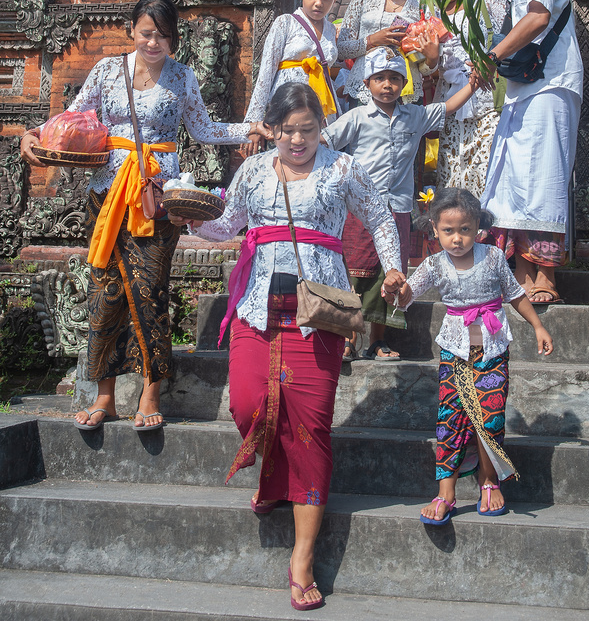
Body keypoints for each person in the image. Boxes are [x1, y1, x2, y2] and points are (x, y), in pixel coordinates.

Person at [177, 82, 404, 610]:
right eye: (287, 130)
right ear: (272, 129)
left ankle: (301, 559)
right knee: (245, 402)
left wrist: (393, 267)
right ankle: (274, 475)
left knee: (311, 423)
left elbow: (379, 218)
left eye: (307, 129)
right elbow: (227, 224)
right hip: (257, 302)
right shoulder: (253, 171)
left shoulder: (343, 168)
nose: (297, 140)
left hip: (318, 309)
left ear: (322, 128)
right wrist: (184, 214)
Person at [20, 0, 253, 432]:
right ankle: (103, 394)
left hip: (156, 198)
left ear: (174, 39)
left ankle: (150, 389)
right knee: (106, 292)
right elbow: (74, 117)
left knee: (151, 291)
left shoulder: (183, 77)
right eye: (147, 32)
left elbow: (204, 129)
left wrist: (250, 127)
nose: (154, 42)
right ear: (132, 30)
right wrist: (34, 132)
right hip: (107, 195)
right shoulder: (108, 70)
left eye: (164, 35)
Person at [390, 187, 553, 523]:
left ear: (478, 226)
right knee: (450, 420)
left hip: (493, 350)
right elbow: (407, 297)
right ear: (434, 228)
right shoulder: (434, 264)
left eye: (465, 229)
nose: (457, 238)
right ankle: (445, 491)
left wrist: (538, 326)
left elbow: (516, 294)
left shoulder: (493, 257)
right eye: (448, 230)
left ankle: (489, 482)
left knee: (490, 419)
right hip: (455, 354)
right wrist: (396, 288)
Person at [323, 46, 481, 361]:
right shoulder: (357, 116)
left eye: (395, 78)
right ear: (367, 83)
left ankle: (377, 341)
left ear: (404, 83)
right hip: (361, 208)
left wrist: (473, 85)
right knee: (356, 274)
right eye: (380, 78)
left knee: (389, 275)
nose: (387, 85)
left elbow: (447, 107)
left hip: (398, 208)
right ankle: (348, 339)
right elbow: (326, 141)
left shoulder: (416, 116)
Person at [481, 0, 583, 305]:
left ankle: (547, 276)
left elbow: (538, 19)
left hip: (551, 84)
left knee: (544, 178)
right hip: (527, 88)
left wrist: (493, 56)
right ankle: (522, 276)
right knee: (514, 179)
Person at [423, 0, 509, 197]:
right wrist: (430, 57)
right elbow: (430, 69)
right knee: (450, 177)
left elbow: (514, 35)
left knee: (485, 173)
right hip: (450, 106)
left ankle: (488, 234)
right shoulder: (431, 13)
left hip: (487, 101)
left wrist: (490, 58)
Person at [244, 0, 340, 128]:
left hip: (321, 105)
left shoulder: (331, 30)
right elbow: (267, 70)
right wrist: (254, 120)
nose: (319, 3)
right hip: (287, 100)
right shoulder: (285, 22)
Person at [336, 0, 422, 106]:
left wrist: (431, 57)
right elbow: (341, 49)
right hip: (363, 91)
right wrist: (371, 41)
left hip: (406, 94)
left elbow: (427, 66)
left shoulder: (422, 8)